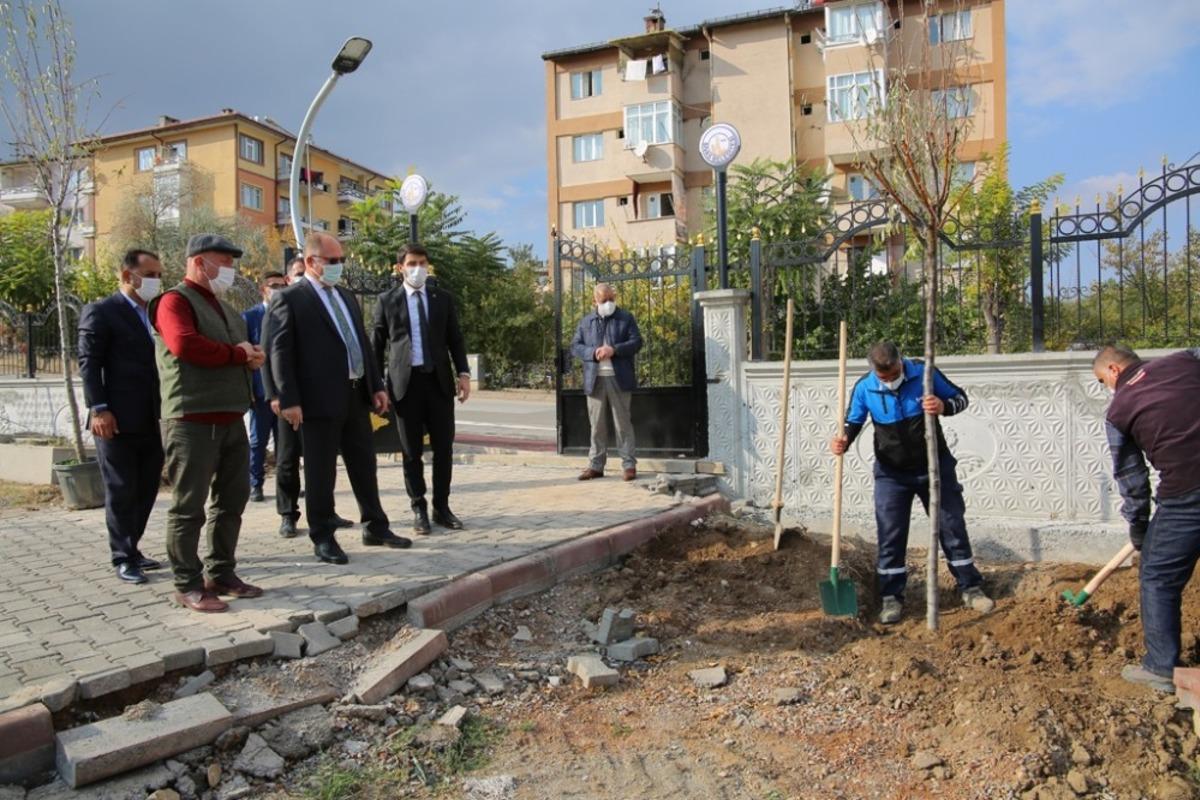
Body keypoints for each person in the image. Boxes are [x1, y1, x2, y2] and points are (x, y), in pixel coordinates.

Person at [268, 232, 411, 563]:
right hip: (317, 401)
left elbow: (360, 343)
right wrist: (287, 398)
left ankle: (375, 525)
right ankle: (323, 534)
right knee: (320, 471)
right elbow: (280, 351)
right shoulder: (290, 298)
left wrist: (376, 385)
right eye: (333, 261)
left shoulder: (346, 296)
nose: (339, 266)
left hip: (354, 395)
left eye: (341, 260)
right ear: (311, 262)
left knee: (364, 465)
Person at [829, 341, 993, 625]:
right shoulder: (865, 387)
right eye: (884, 378)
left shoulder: (925, 374)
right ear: (874, 373)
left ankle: (970, 587)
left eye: (894, 373)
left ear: (901, 362)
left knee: (951, 526)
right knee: (890, 534)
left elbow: (961, 399)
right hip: (891, 473)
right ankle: (892, 598)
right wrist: (843, 439)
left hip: (934, 467)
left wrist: (943, 405)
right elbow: (852, 422)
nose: (891, 380)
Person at [149, 234, 265, 613]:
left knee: (232, 500)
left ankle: (222, 573)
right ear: (199, 263)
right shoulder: (174, 301)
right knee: (189, 506)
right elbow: (185, 345)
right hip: (192, 420)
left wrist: (252, 357)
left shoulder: (227, 310)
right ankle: (187, 583)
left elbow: (237, 351)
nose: (230, 271)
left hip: (232, 417)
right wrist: (237, 354)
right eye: (224, 263)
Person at [1094, 345, 1200, 693]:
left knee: (1157, 576)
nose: (1107, 388)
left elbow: (1133, 481)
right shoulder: (1186, 360)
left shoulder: (1119, 410)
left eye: (1102, 381)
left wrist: (1139, 529)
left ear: (1113, 369)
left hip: (1188, 492)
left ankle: (1160, 668)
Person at [77, 249, 166, 584]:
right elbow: (89, 363)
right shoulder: (102, 312)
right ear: (128, 275)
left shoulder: (155, 313)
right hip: (114, 419)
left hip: (153, 417)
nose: (157, 281)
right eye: (151, 274)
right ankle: (122, 556)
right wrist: (98, 408)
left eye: (159, 274)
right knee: (121, 488)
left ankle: (134, 547)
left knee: (146, 487)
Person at [372, 243, 471, 534]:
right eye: (412, 263)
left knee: (444, 448)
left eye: (423, 263)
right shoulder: (387, 300)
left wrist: (463, 374)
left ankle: (442, 507)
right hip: (405, 385)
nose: (418, 269)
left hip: (439, 383)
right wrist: (377, 386)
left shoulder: (442, 299)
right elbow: (376, 346)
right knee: (411, 451)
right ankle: (419, 508)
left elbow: (455, 339)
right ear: (400, 267)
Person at [261, 258, 354, 537]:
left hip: (318, 398)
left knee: (323, 459)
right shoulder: (281, 306)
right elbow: (269, 355)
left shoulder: (321, 306)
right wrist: (275, 395)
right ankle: (288, 513)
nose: (304, 279)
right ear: (290, 279)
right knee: (288, 458)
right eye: (298, 274)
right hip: (290, 400)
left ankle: (327, 510)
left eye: (306, 274)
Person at [570, 283, 642, 482]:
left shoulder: (625, 318)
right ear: (595, 301)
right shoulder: (586, 322)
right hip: (595, 380)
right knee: (597, 426)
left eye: (611, 299)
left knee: (623, 424)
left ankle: (629, 465)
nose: (609, 303)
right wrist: (592, 353)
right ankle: (596, 466)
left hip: (620, 378)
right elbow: (575, 347)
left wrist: (614, 349)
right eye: (604, 300)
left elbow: (637, 342)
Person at [243, 272, 288, 503]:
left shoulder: (289, 314)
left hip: (285, 393)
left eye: (282, 285)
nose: (278, 290)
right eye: (273, 286)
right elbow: (245, 356)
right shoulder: (250, 317)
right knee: (258, 441)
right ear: (263, 289)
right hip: (260, 393)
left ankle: (285, 486)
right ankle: (255, 484)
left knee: (285, 444)